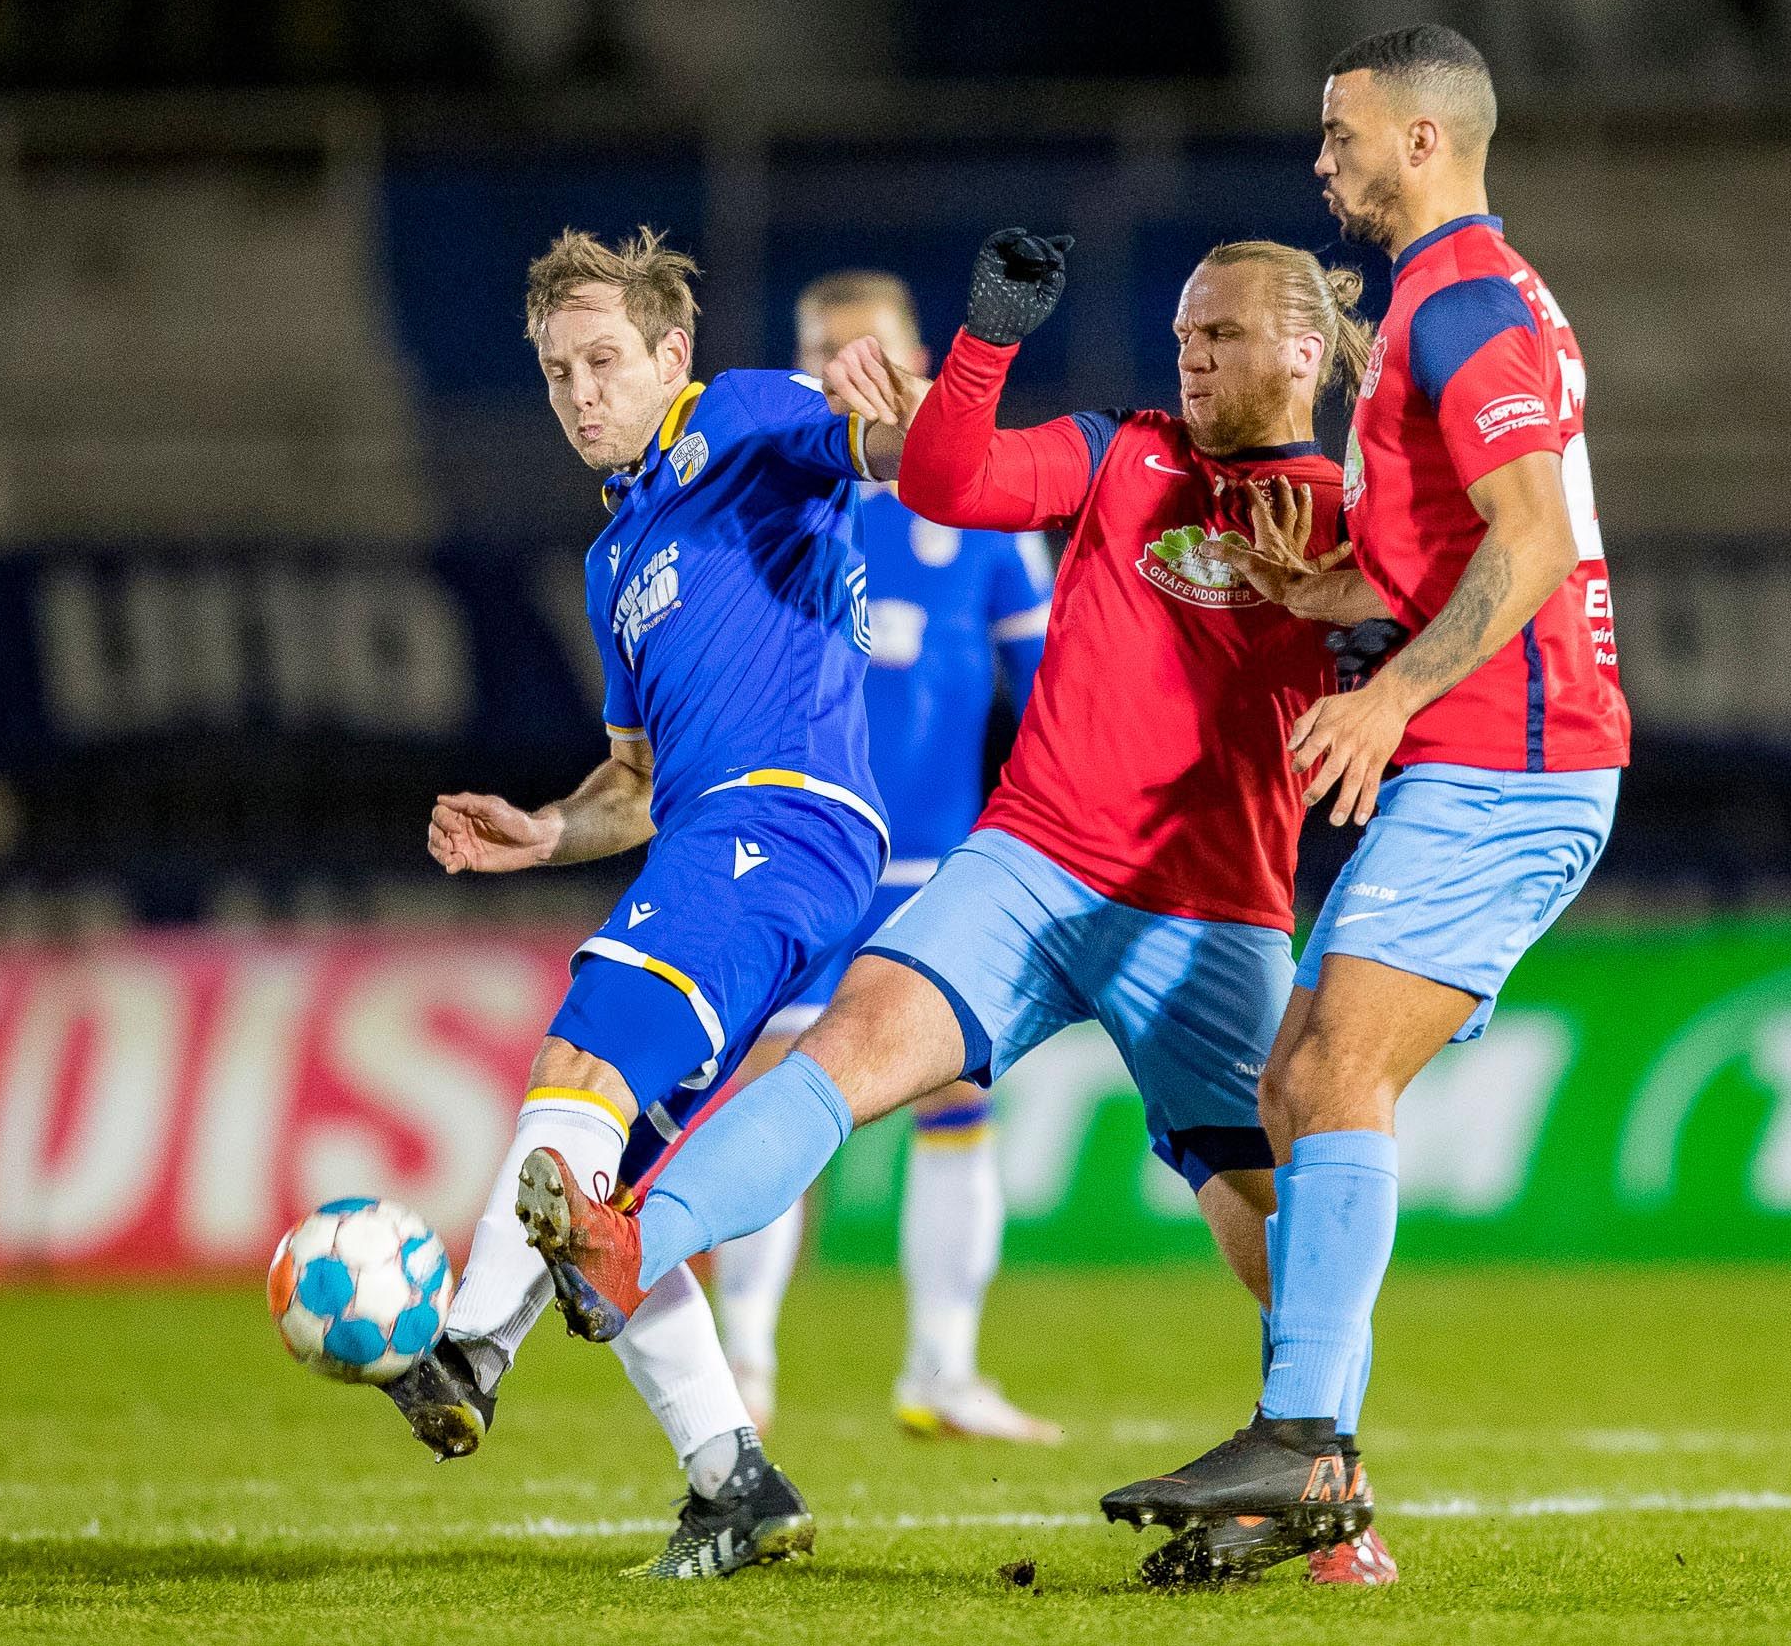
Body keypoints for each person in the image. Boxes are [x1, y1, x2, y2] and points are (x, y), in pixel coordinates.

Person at [514, 225, 1403, 1584]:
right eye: (1179, 335)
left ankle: (1327, 1480)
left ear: (1299, 348)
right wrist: (988, 340)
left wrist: (1376, 655)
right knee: (851, 1043)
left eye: (1218, 336)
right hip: (1030, 858)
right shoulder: (1127, 449)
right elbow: (949, 474)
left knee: (1262, 1200)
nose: (1192, 356)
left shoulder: (1342, 515)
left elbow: (1431, 634)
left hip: (1209, 904)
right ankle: (635, 1242)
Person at [1099, 22, 1630, 1579]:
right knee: (1298, 1080)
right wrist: (1318, 584)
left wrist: (1390, 693)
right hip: (1486, 758)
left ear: (1420, 139)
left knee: (1328, 1075)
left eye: (1341, 136)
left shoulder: (1465, 305)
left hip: (1514, 758)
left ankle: (1307, 1450)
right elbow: (1442, 552)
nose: (1320, 161)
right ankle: (1303, 1466)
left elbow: (1528, 542)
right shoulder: (1443, 300)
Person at [385, 225, 905, 1580]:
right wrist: (545, 827)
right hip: (726, 826)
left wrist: (898, 407)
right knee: (595, 1195)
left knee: (575, 1065)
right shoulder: (614, 564)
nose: (580, 393)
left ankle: (465, 1345)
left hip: (783, 818)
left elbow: (880, 455)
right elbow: (636, 784)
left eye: (604, 359)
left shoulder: (736, 416)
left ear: (671, 352)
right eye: (558, 370)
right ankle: (734, 1478)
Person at [706, 270, 1058, 1444]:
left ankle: (942, 1372)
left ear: (918, 364)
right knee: (775, 1099)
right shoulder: (771, 501)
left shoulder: (985, 512)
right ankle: (743, 1371)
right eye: (821, 355)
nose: (845, 374)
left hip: (937, 871)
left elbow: (1054, 688)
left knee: (957, 1101)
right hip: (802, 856)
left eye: (867, 353)